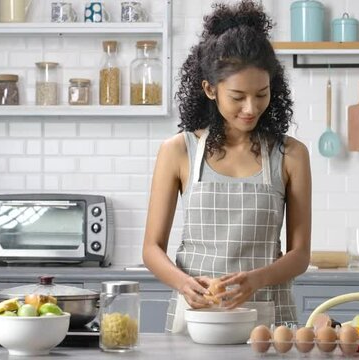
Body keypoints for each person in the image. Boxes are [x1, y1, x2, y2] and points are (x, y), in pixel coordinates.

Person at [142, 0, 312, 332]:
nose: (251, 108)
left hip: (270, 319)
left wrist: (255, 280)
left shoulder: (291, 155)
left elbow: (300, 254)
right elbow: (151, 249)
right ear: (209, 89)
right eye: (237, 96)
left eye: (261, 94)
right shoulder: (178, 151)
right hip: (196, 316)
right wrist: (183, 283)